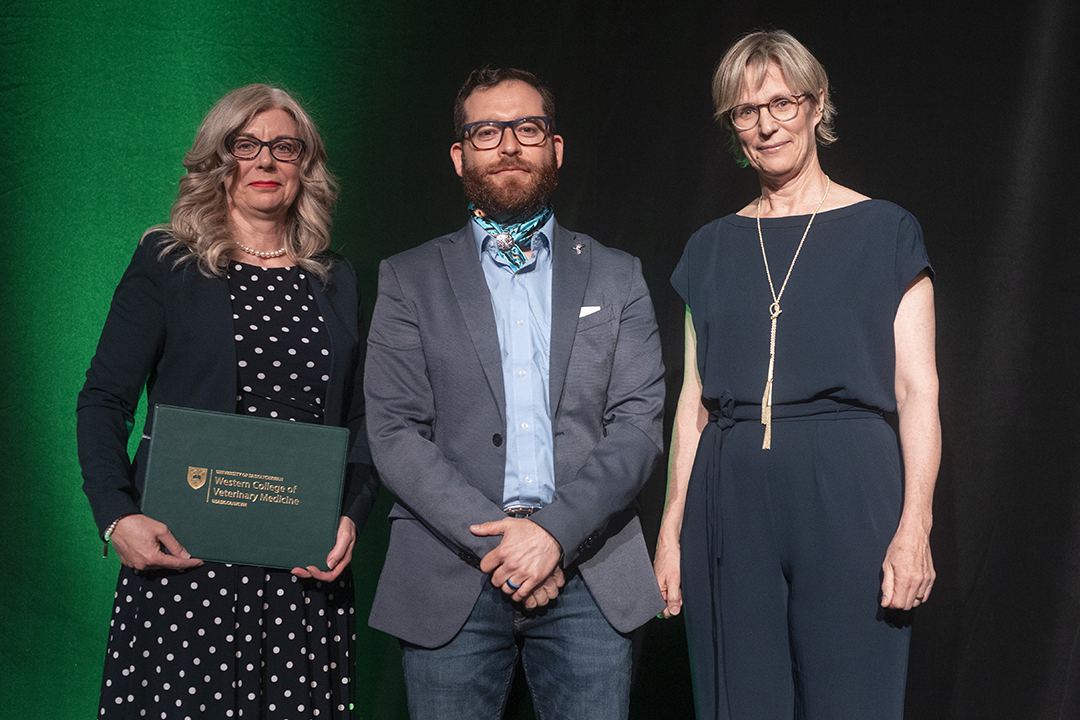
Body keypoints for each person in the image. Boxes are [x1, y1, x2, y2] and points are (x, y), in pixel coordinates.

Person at [653, 30, 941, 720]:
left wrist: (915, 527)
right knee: (738, 703)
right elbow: (693, 400)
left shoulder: (886, 230)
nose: (766, 123)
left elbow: (918, 389)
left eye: (781, 102)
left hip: (848, 485)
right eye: (746, 112)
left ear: (816, 107)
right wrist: (671, 529)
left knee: (853, 700)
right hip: (729, 493)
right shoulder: (709, 247)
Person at [364, 67, 666, 719]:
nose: (508, 144)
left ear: (555, 148)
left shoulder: (618, 276)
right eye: (486, 131)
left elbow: (638, 428)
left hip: (590, 573)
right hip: (452, 572)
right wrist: (504, 545)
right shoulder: (408, 278)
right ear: (459, 154)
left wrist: (552, 536)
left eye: (527, 128)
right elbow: (393, 433)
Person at [77, 83, 376, 719]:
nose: (265, 161)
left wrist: (351, 513)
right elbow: (104, 400)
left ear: (305, 167)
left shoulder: (337, 279)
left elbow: (364, 420)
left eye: (284, 148)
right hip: (185, 567)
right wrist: (116, 514)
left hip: (303, 577)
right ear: (219, 160)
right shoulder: (168, 260)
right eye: (246, 145)